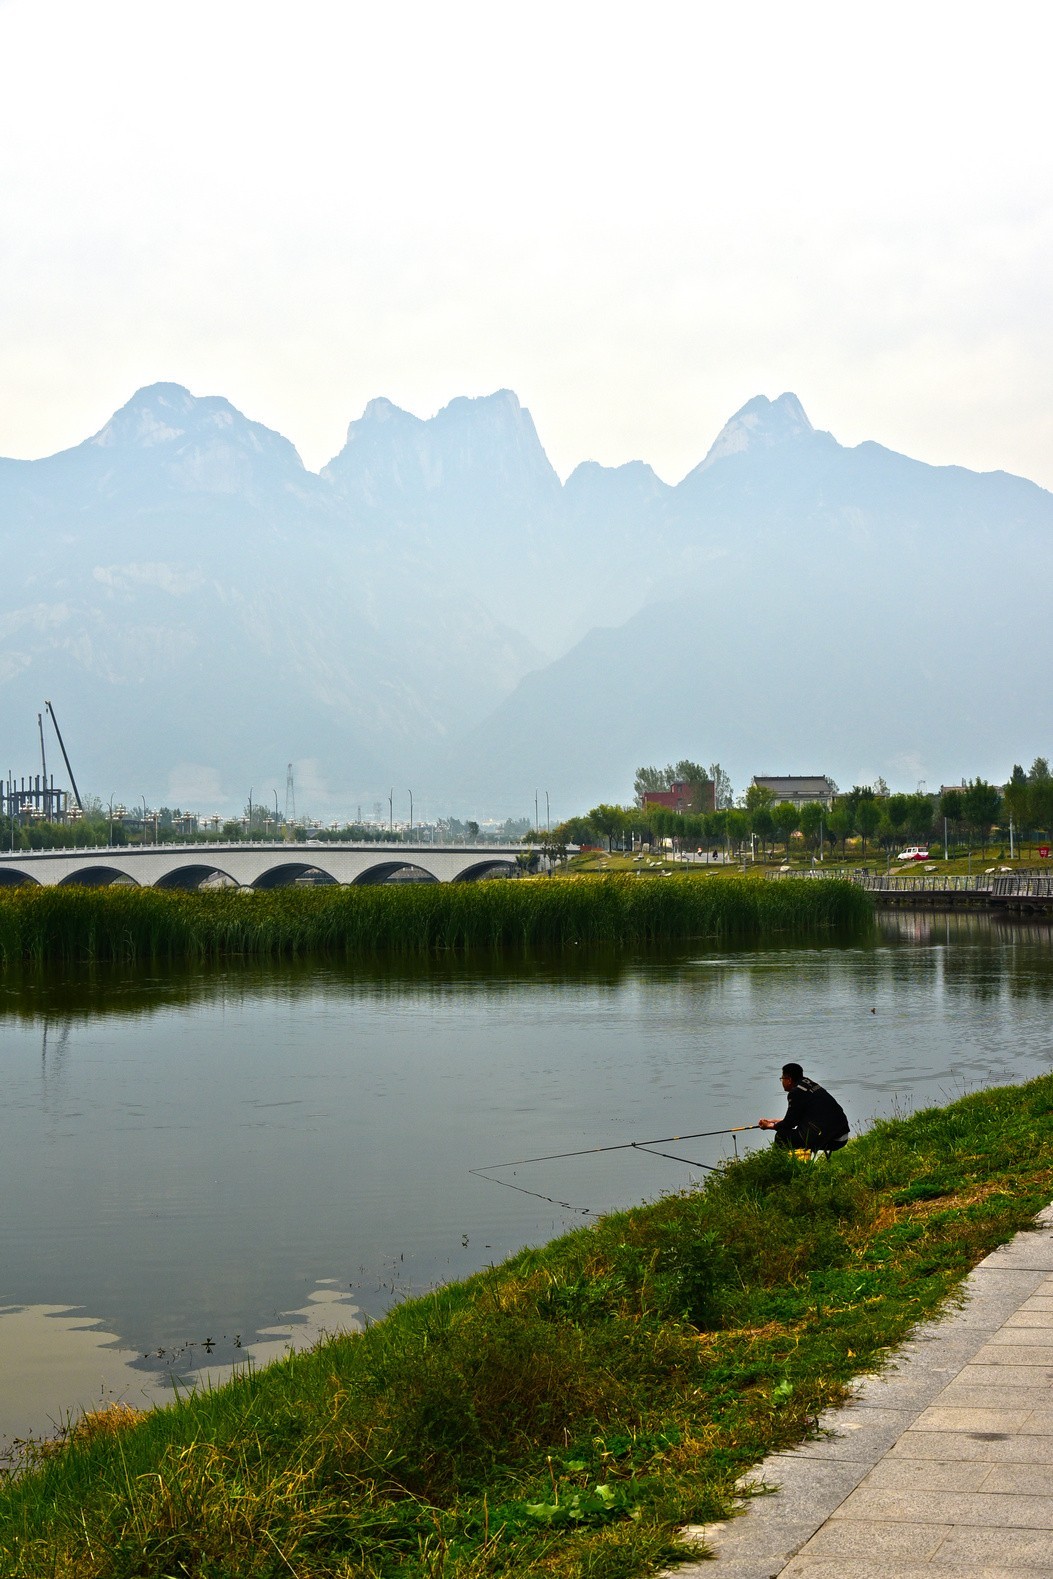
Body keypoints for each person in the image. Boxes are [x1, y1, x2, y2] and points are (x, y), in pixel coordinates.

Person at [758, 1063, 849, 1155]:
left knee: (781, 1136)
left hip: (834, 1140)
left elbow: (789, 1123)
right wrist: (774, 1121)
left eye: (782, 1079)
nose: (782, 1081)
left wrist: (770, 1126)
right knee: (800, 1130)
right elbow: (796, 1119)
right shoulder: (809, 1084)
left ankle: (777, 1165)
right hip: (842, 1134)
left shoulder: (795, 1093)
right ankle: (795, 1162)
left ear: (789, 1080)